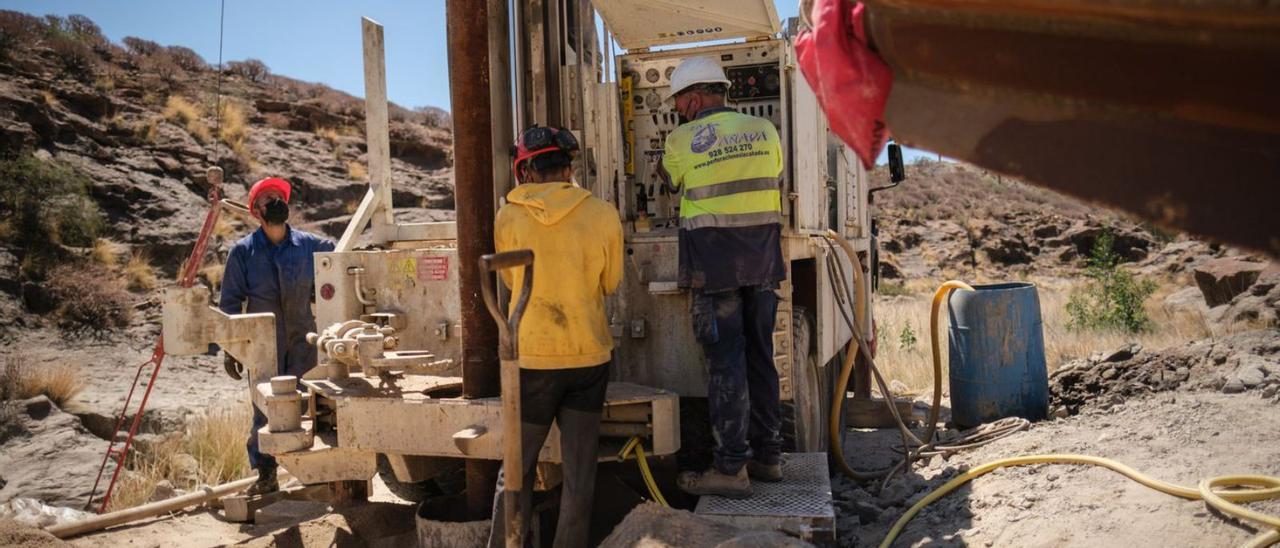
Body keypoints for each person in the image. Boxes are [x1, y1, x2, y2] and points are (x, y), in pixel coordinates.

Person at [487, 125, 623, 547]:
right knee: (580, 475)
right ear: (569, 168)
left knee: (516, 470)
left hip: (531, 360)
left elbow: (510, 281)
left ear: (525, 171)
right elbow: (611, 283)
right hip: (588, 358)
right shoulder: (602, 213)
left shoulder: (508, 215)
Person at [660, 56, 786, 499]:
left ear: (693, 99)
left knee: (726, 365)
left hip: (715, 268)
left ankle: (731, 469)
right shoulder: (766, 132)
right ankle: (768, 458)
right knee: (760, 358)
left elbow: (670, 180)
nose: (677, 110)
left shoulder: (680, 138)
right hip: (764, 263)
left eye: (678, 102)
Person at [220, 177, 335, 495]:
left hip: (303, 341)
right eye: (267, 198)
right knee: (265, 409)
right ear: (256, 211)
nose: (275, 201)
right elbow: (229, 303)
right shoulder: (243, 252)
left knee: (309, 405)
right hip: (262, 346)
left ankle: (315, 472)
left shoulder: (310, 245)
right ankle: (266, 475)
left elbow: (341, 254)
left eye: (278, 196)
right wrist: (232, 350)